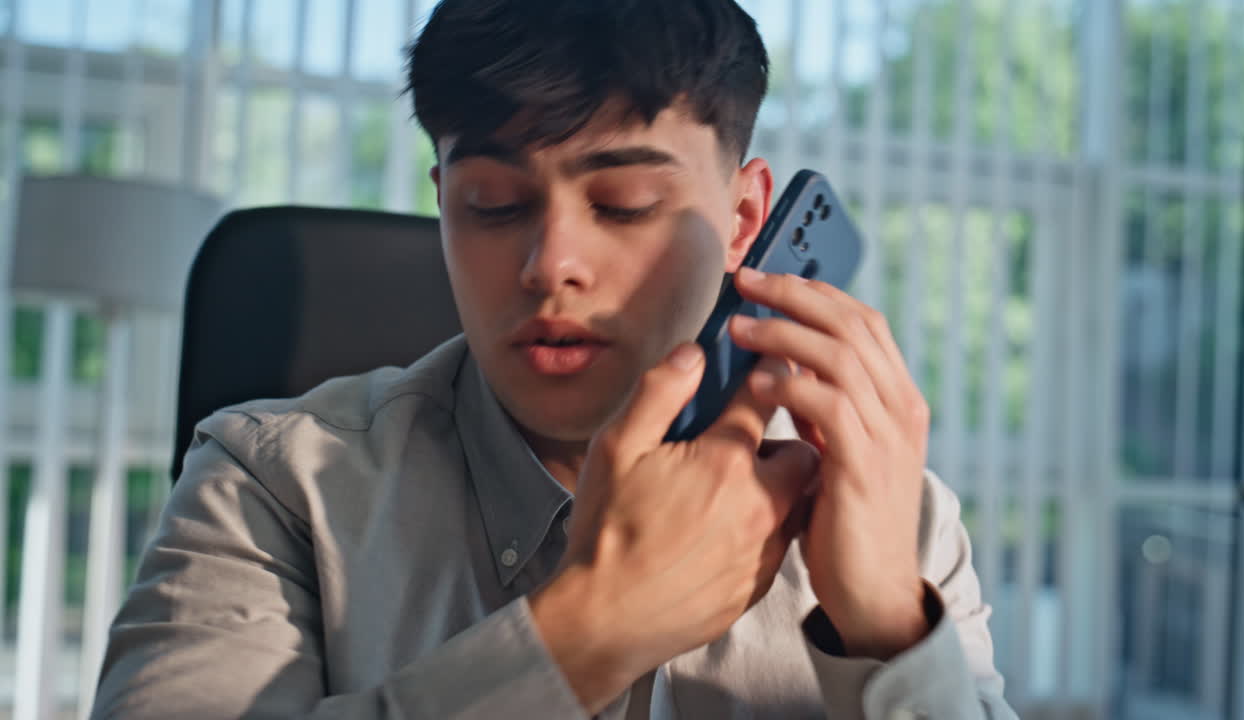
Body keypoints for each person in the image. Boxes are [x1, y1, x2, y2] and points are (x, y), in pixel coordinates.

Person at [92, 0, 1016, 717]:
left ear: (743, 221)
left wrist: (892, 626)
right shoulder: (272, 485)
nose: (550, 267)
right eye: (492, 203)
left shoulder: (897, 517)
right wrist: (587, 633)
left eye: (620, 204)